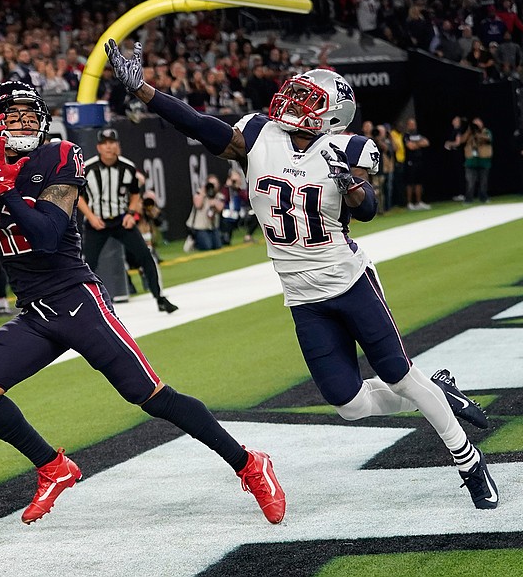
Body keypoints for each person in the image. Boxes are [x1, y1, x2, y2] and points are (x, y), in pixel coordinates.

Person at [105, 40, 499, 510]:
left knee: (399, 375)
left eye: (309, 100)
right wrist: (146, 92)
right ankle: (440, 392)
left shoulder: (348, 147)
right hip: (301, 295)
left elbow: (368, 209)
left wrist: (349, 183)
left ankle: (469, 462)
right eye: (295, 94)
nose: (292, 103)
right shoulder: (258, 134)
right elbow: (200, 125)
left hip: (348, 281)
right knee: (349, 406)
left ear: (332, 115)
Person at [0, 80, 285, 525]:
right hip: (36, 312)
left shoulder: (59, 154)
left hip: (76, 300)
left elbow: (45, 237)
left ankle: (249, 464)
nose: (24, 122)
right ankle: (53, 466)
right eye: (13, 115)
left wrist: (6, 190)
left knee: (151, 397)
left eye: (30, 114)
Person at [78, 127, 178, 313]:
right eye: (104, 143)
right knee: (87, 264)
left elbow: (135, 194)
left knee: (146, 256)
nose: (109, 147)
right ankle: (84, 306)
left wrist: (131, 214)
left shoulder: (128, 167)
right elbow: (78, 197)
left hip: (121, 221)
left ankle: (159, 298)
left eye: (112, 143)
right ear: (99, 147)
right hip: (97, 222)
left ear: (118, 146)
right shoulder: (88, 169)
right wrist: (90, 217)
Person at [186, 174, 224, 250]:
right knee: (207, 247)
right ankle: (194, 243)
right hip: (199, 227)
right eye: (211, 184)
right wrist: (203, 193)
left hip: (212, 227)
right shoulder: (199, 193)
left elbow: (220, 209)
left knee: (218, 246)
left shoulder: (219, 196)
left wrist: (214, 203)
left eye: (214, 184)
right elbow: (198, 205)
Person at [460, 117, 493, 203]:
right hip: (471, 161)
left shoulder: (486, 132)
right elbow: (461, 140)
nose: (476, 125)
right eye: (475, 123)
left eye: (478, 122)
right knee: (470, 182)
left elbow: (488, 139)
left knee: (483, 182)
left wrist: (477, 132)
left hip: (483, 161)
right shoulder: (469, 132)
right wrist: (469, 131)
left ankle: (483, 198)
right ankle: (468, 199)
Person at [403, 117, 432, 210]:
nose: (413, 126)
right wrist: (419, 144)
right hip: (410, 161)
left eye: (414, 124)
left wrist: (416, 144)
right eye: (411, 124)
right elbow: (410, 146)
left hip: (419, 161)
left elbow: (427, 142)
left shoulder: (418, 134)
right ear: (408, 125)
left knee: (419, 182)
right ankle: (409, 203)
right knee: (410, 183)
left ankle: (419, 202)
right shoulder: (406, 135)